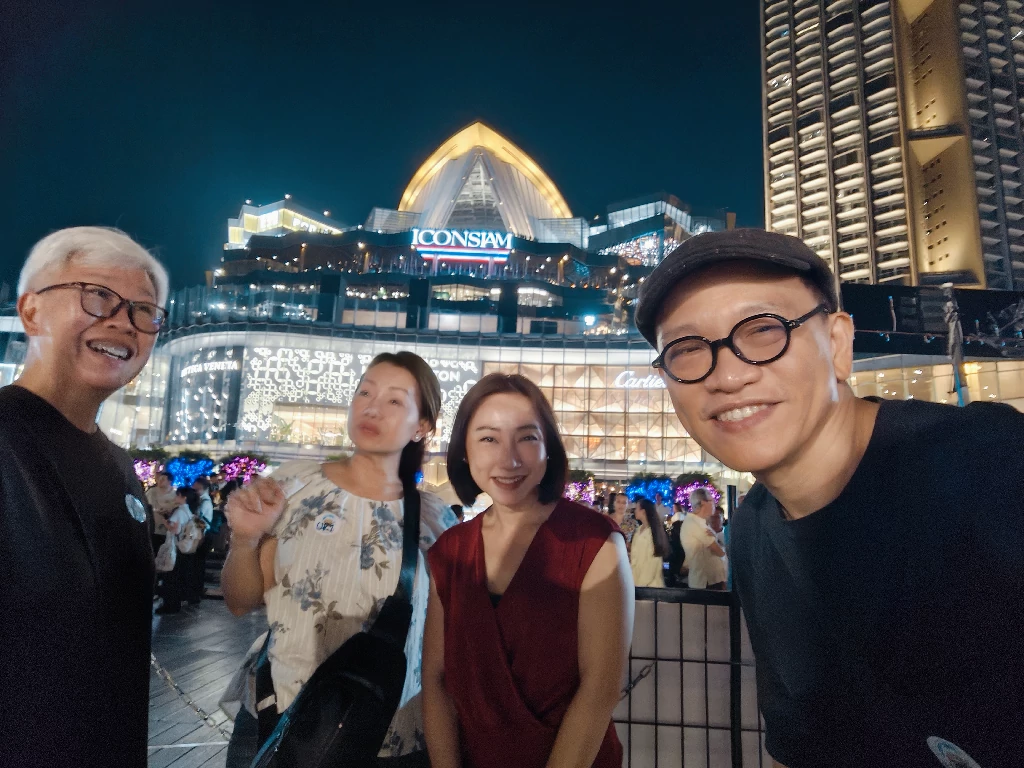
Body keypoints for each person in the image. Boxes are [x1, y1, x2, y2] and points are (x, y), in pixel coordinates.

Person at [634, 228, 1024, 767]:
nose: (727, 376)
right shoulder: (752, 531)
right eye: (686, 350)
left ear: (838, 344)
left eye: (763, 330)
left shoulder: (991, 466)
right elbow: (802, 743)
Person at [220, 352, 457, 767]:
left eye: (394, 400)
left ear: (422, 426)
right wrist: (245, 539)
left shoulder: (435, 520)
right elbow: (241, 601)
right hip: (278, 718)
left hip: (385, 734)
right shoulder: (294, 485)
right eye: (365, 392)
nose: (371, 407)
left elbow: (444, 646)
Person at [0, 226, 168, 767]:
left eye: (144, 311)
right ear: (31, 311)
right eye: (97, 296)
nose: (123, 321)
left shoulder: (120, 467)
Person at [423, 374, 634, 768]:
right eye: (488, 438)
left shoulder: (594, 541)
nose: (509, 459)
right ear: (464, 451)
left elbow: (600, 690)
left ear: (548, 448)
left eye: (526, 437)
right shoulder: (449, 552)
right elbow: (436, 682)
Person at [157, 486, 200, 615]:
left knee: (170, 578)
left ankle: (170, 605)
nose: (175, 497)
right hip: (185, 548)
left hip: (175, 548)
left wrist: (166, 523)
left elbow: (175, 530)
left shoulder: (179, 511)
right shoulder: (190, 511)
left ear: (183, 497)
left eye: (178, 495)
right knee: (178, 577)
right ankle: (176, 603)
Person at [680, 488, 727, 590]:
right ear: (703, 503)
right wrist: (723, 550)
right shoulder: (695, 524)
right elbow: (719, 551)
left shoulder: (700, 522)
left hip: (710, 581)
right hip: (706, 583)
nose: (714, 504)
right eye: (712, 500)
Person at [630, 497, 670, 587]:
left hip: (650, 585)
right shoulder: (638, 530)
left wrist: (641, 585)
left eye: (637, 508)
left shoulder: (653, 533)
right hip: (636, 581)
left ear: (643, 511)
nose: (634, 511)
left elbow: (652, 563)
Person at [190, 476, 215, 602]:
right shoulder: (202, 500)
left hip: (202, 536)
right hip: (201, 535)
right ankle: (195, 592)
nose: (194, 492)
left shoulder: (205, 502)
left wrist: (192, 518)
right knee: (197, 565)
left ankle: (196, 593)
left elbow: (203, 523)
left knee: (198, 566)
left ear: (203, 489)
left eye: (196, 489)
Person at [146, 469, 178, 553]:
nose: (160, 481)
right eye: (159, 479)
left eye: (163, 479)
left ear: (169, 481)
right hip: (152, 527)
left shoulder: (175, 495)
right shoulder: (152, 492)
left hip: (167, 529)